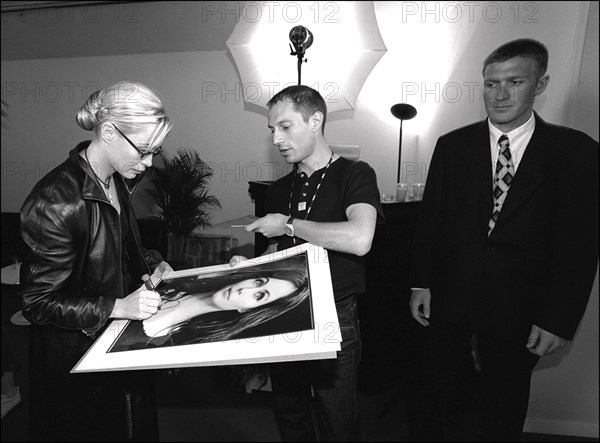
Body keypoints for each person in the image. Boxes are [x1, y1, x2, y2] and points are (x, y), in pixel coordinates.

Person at [408, 38, 599, 442]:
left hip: (521, 308)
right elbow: (431, 222)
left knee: (503, 406)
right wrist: (420, 282)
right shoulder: (452, 146)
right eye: (491, 83)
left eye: (514, 82)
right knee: (431, 398)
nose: (500, 94)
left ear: (539, 85)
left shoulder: (576, 153)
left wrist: (558, 319)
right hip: (449, 299)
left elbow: (579, 247)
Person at [18, 80, 174, 442]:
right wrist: (119, 306)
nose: (149, 163)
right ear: (108, 132)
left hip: (115, 343)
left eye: (155, 151)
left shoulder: (114, 179)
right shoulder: (56, 202)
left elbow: (117, 247)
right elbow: (37, 302)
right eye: (144, 151)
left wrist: (153, 265)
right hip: (77, 360)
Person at [233, 85, 384, 441]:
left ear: (315, 120)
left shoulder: (355, 175)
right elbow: (276, 256)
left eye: (285, 126)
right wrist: (251, 270)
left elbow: (360, 239)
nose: (276, 138)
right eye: (272, 130)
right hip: (286, 313)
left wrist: (289, 224)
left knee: (338, 421)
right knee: (290, 414)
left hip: (335, 315)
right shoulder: (277, 190)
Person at [110, 258, 311, 351]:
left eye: (259, 296)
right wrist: (157, 266)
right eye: (258, 282)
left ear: (248, 310)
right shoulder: (186, 278)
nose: (245, 290)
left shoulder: (177, 340)